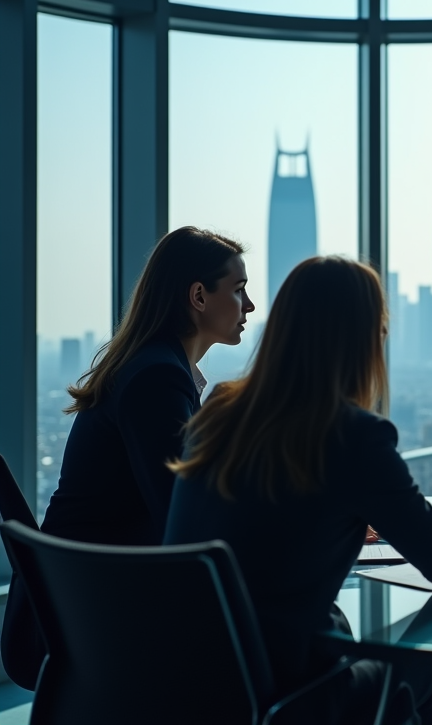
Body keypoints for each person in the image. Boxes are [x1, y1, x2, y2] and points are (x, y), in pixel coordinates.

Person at [164, 256, 432, 725]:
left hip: (186, 688)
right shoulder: (354, 434)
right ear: (367, 340)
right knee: (423, 663)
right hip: (289, 697)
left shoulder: (218, 411)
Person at [1, 226, 255, 691]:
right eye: (238, 290)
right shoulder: (157, 379)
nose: (250, 306)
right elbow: (181, 517)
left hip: (83, 601)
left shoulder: (152, 366)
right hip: (100, 614)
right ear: (198, 296)